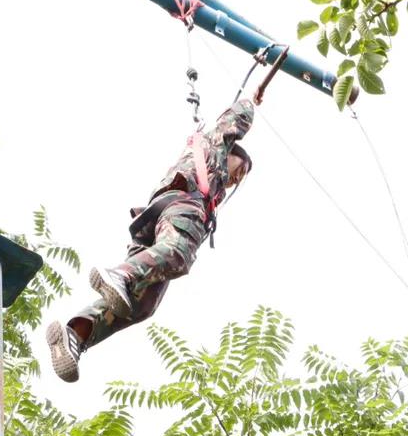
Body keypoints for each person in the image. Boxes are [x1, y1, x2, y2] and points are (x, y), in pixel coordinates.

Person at [46, 94, 258, 383]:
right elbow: (236, 119)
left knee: (142, 303)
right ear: (231, 152)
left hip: (156, 221)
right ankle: (121, 275)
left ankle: (75, 335)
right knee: (179, 252)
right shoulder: (215, 148)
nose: (237, 178)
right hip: (180, 207)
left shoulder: (215, 187)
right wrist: (252, 100)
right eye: (240, 169)